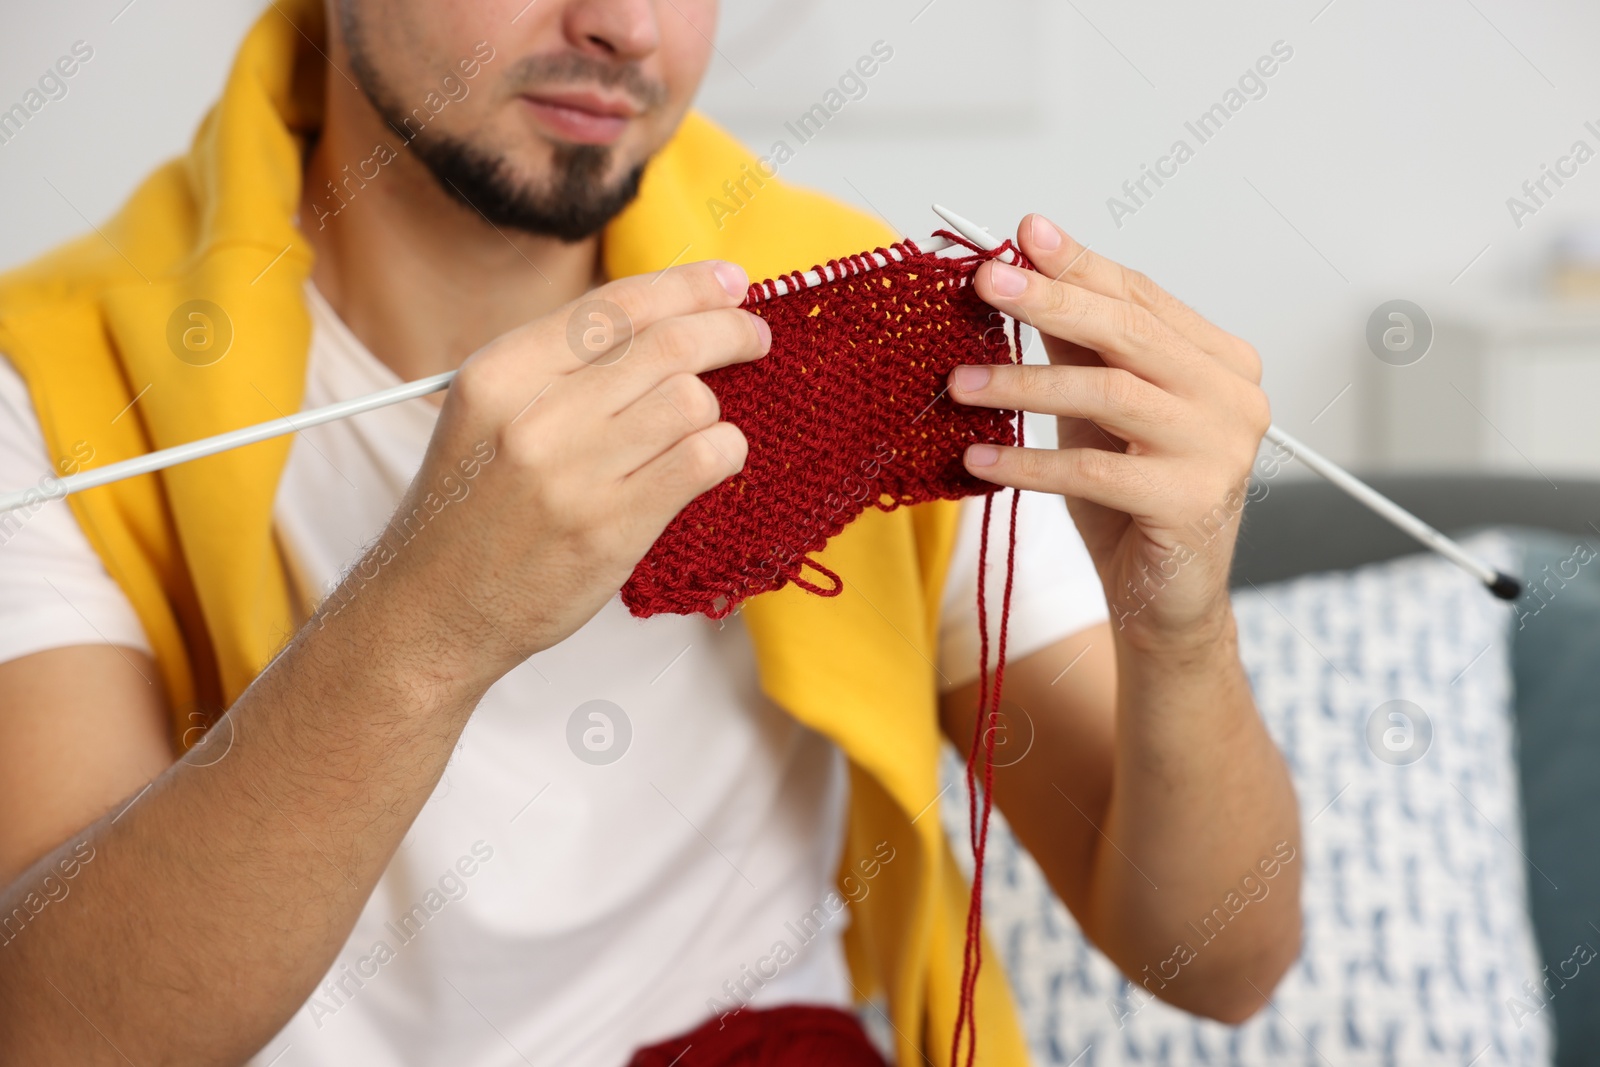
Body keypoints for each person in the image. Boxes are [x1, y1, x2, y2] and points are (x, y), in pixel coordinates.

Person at [0, 1, 1301, 1064]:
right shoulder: (63, 380)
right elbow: (61, 1035)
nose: (626, 26)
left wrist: (1176, 622)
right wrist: (428, 623)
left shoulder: (859, 352)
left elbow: (1218, 964)